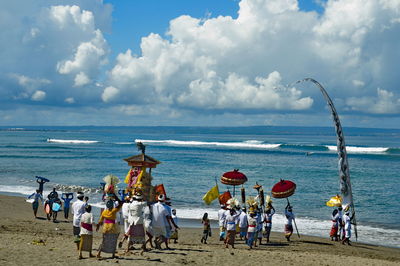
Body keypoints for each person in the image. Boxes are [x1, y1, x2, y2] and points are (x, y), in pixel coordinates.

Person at [96, 193, 123, 259]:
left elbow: (100, 221)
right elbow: (121, 203)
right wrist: (116, 197)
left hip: (105, 227)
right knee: (114, 240)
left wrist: (98, 226)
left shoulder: (104, 212)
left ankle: (98, 253)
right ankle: (113, 254)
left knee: (104, 240)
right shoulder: (113, 211)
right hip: (112, 227)